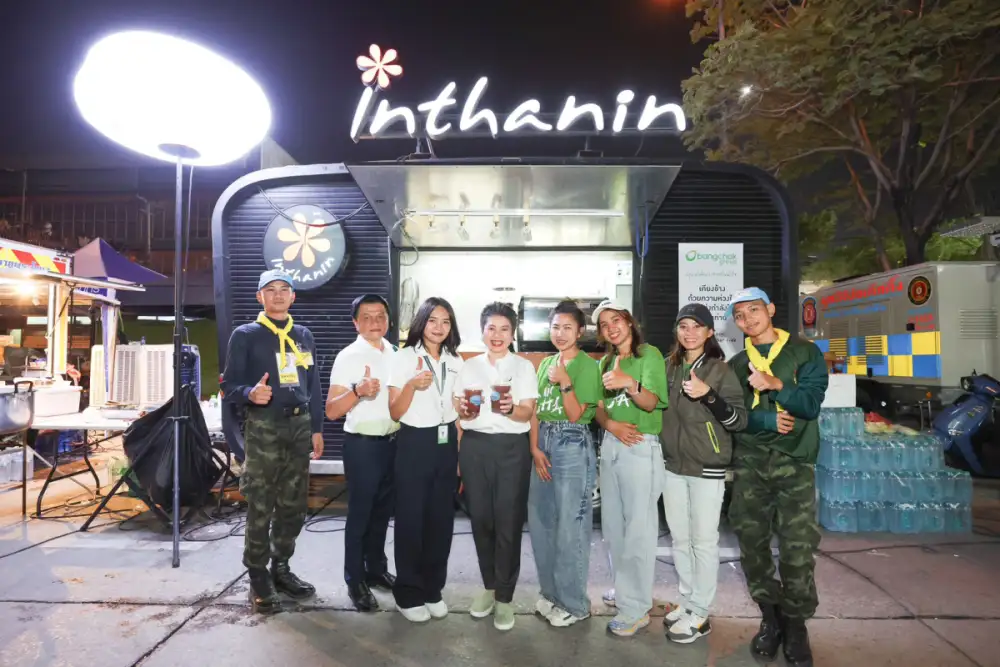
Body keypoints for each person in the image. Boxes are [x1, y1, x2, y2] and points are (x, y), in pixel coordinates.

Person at [726, 287, 828, 667]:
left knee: (797, 550)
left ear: (769, 309)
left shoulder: (804, 353)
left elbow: (811, 404)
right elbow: (732, 417)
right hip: (750, 464)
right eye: (739, 315)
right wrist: (764, 419)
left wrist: (777, 385)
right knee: (752, 546)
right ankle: (770, 618)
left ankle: (796, 624)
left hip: (794, 463)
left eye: (754, 310)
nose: (748, 319)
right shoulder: (737, 364)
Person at [220, 269, 324, 615]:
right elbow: (229, 386)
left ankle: (281, 566)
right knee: (261, 502)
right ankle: (257, 573)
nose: (278, 295)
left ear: (293, 296)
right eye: (270, 289)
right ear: (259, 296)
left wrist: (317, 427)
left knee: (294, 504)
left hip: (300, 426)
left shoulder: (303, 335)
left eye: (284, 289)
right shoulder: (245, 335)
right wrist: (250, 392)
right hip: (264, 425)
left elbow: (314, 384)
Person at [659, 303, 747, 643]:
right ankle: (687, 600)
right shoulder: (668, 367)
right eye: (684, 326)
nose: (690, 332)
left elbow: (738, 420)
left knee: (704, 541)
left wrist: (709, 396)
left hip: (707, 466)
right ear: (677, 331)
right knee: (680, 539)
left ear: (709, 332)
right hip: (672, 465)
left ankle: (700, 612)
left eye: (697, 326)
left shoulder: (721, 370)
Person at [453, 302, 538, 632]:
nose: (497, 335)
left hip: (511, 449)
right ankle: (489, 585)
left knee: (508, 521)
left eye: (504, 329)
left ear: (513, 333)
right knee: (481, 520)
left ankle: (505, 596)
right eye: (491, 328)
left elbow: (528, 411)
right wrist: (463, 410)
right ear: (482, 331)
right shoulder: (469, 366)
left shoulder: (523, 367)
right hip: (475, 448)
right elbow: (460, 408)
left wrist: (510, 408)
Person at [592, 299, 669, 637]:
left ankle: (636, 609)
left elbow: (651, 402)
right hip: (611, 445)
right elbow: (597, 406)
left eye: (616, 320)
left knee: (639, 530)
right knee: (614, 526)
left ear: (629, 321)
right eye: (604, 324)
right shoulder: (605, 362)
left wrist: (628, 383)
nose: (611, 327)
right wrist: (610, 425)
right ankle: (626, 590)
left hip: (639, 446)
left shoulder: (648, 355)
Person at [387, 297, 464, 623]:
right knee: (411, 520)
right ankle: (408, 592)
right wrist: (411, 386)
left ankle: (433, 589)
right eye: (433, 320)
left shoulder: (456, 360)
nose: (439, 327)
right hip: (415, 443)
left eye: (446, 321)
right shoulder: (404, 357)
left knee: (441, 521)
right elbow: (395, 411)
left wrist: (459, 453)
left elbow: (457, 410)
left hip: (446, 444)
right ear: (421, 322)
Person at [527, 300, 604, 628]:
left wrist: (564, 381)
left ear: (580, 331)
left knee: (571, 525)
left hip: (572, 442)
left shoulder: (587, 366)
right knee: (542, 521)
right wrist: (534, 448)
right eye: (555, 327)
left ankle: (574, 604)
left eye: (567, 327)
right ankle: (551, 594)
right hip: (543, 441)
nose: (560, 333)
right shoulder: (546, 363)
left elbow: (575, 414)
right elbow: (535, 409)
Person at [326, 294, 398, 612]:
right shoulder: (348, 356)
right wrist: (358, 391)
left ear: (389, 321)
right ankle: (355, 580)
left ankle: (376, 569)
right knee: (360, 516)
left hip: (393, 444)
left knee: (382, 513)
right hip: (363, 446)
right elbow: (331, 411)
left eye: (380, 316)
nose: (374, 322)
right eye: (366, 317)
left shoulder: (396, 353)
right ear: (356, 323)